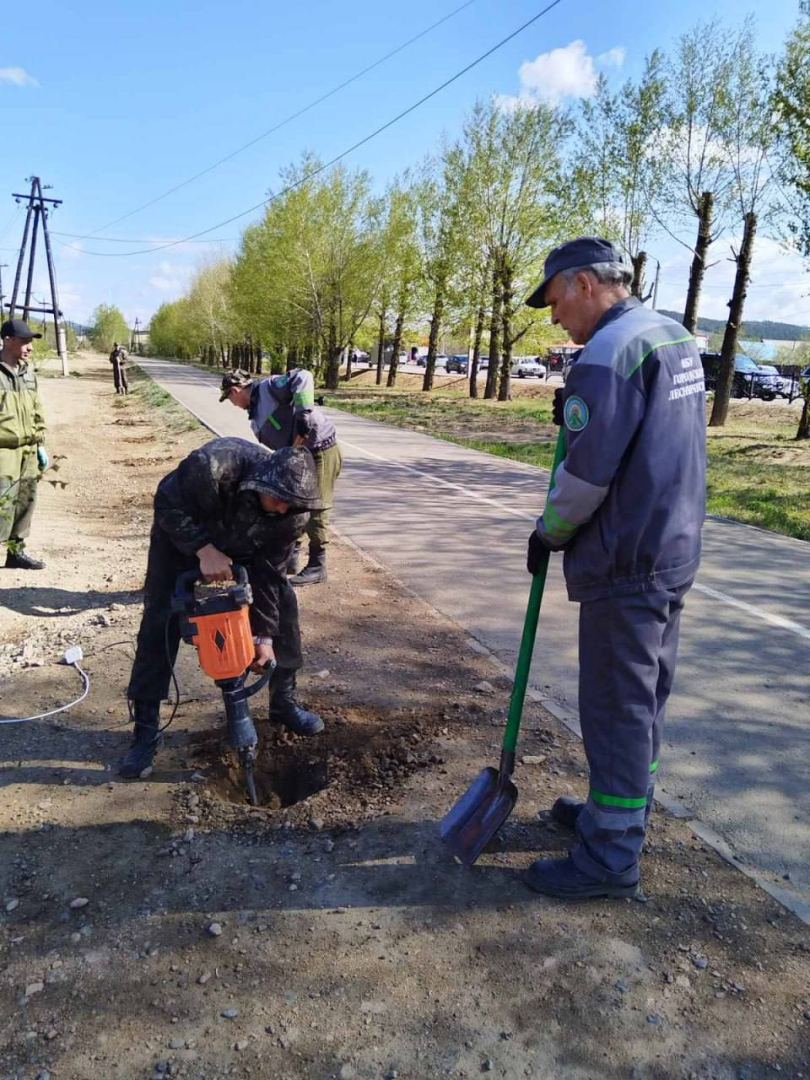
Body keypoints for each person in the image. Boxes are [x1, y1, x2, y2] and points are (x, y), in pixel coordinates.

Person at [523, 237, 706, 900]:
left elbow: (589, 473)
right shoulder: (671, 335)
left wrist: (550, 532)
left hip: (627, 558)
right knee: (644, 700)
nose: (552, 318)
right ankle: (618, 814)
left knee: (616, 706)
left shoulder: (605, 354)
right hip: (672, 545)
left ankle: (609, 857)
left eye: (553, 300)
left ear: (583, 284)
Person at [120, 439, 326, 780]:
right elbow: (167, 503)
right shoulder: (215, 466)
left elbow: (270, 575)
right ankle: (145, 730)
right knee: (160, 620)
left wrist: (264, 636)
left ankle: (283, 703)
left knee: (284, 607)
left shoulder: (292, 514)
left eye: (290, 506)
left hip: (248, 550)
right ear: (263, 481)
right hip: (181, 545)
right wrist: (203, 549)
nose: (280, 509)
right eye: (277, 499)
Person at [220, 368, 342, 585]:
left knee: (315, 508)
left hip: (320, 450)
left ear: (235, 390)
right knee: (290, 506)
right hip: (298, 459)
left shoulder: (270, 387)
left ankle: (318, 565)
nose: (232, 404)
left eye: (229, 398)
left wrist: (303, 412)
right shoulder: (254, 415)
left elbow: (303, 376)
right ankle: (292, 556)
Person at [0, 319, 48, 570]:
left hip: (28, 450)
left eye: (31, 342)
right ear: (8, 340)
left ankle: (15, 553)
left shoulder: (27, 372)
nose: (30, 347)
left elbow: (37, 409)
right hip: (3, 452)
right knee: (2, 501)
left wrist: (40, 442)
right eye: (25, 341)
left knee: (25, 500)